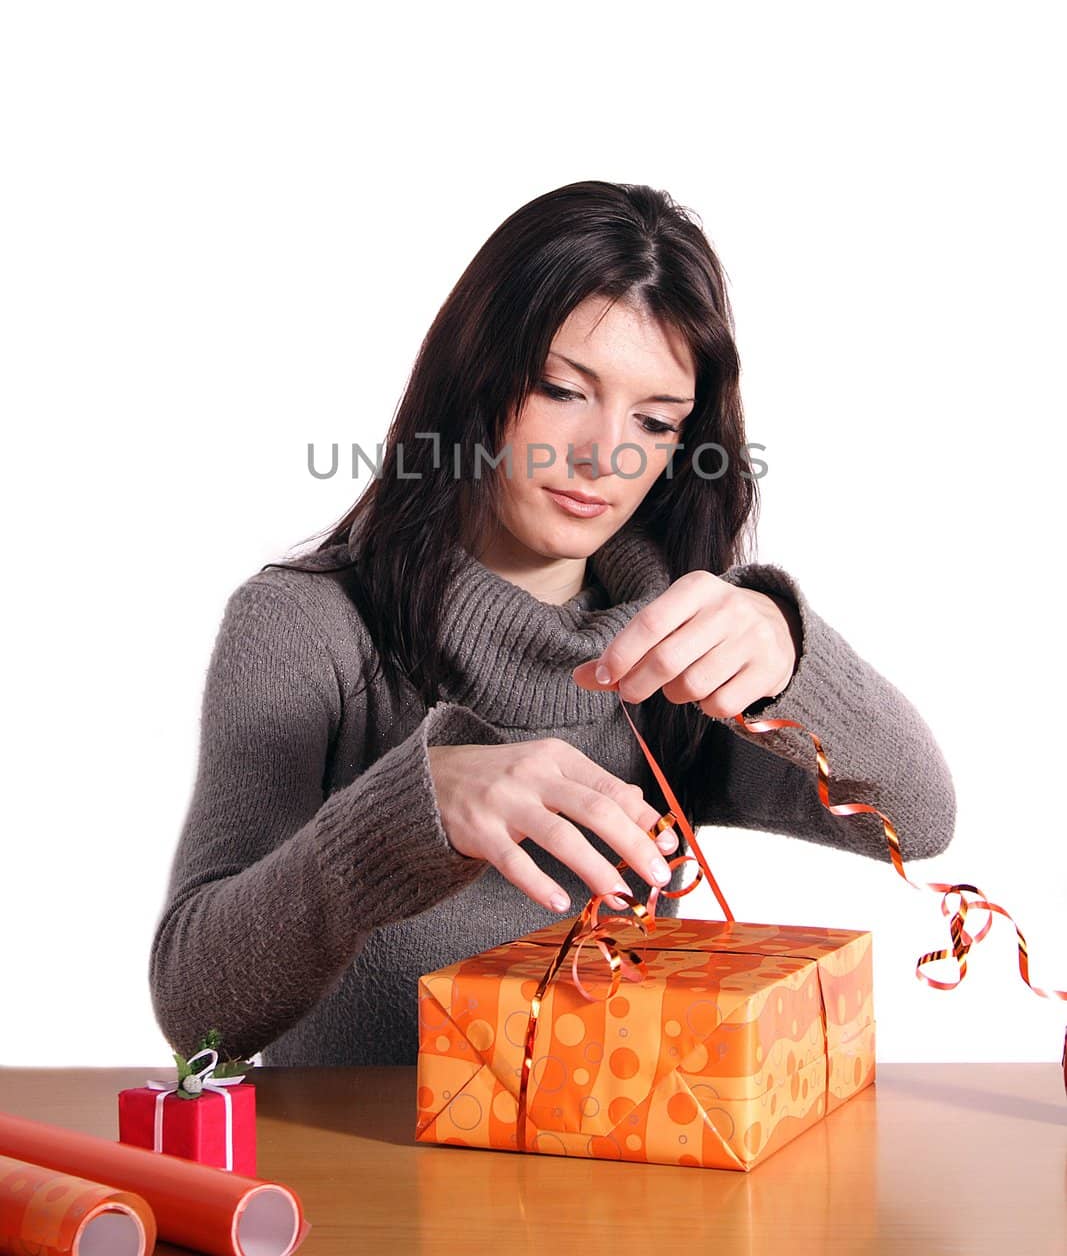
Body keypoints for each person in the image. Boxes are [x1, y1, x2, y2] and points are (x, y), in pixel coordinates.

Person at [149, 180, 956, 1068]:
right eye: (562, 391)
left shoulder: (673, 651)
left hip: (612, 1174)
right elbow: (197, 1015)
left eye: (654, 421)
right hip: (361, 1184)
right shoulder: (306, 625)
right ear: (474, 381)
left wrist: (788, 647)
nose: (604, 456)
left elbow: (915, 820)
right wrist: (410, 812)